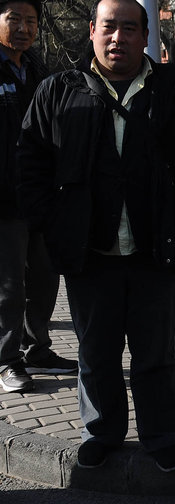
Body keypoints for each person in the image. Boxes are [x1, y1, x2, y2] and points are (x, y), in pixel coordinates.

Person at [16, 0, 175, 471]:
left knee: (154, 354)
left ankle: (159, 437)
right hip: (89, 251)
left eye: (129, 29)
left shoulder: (171, 91)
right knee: (96, 352)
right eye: (109, 28)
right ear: (92, 31)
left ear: (145, 35)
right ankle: (102, 433)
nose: (119, 38)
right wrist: (52, 222)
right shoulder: (59, 90)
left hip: (156, 248)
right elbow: (29, 163)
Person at [0, 0, 77, 393]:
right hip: (3, 199)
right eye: (15, 19)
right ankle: (6, 359)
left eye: (31, 21)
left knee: (46, 277)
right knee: (10, 285)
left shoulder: (38, 70)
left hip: (40, 197)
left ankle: (37, 347)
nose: (24, 28)